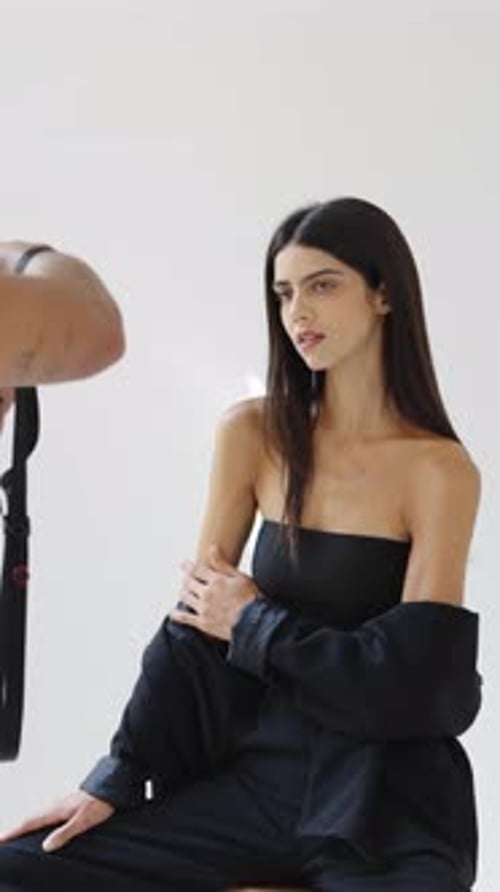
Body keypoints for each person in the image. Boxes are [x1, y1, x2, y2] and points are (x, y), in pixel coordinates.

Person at [0, 199, 483, 891]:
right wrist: (115, 776)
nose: (298, 312)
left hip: (386, 805)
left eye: (322, 285)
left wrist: (255, 624)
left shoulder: (438, 471)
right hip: (260, 788)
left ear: (383, 294)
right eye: (283, 293)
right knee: (16, 869)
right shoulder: (253, 435)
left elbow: (413, 689)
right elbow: (193, 629)